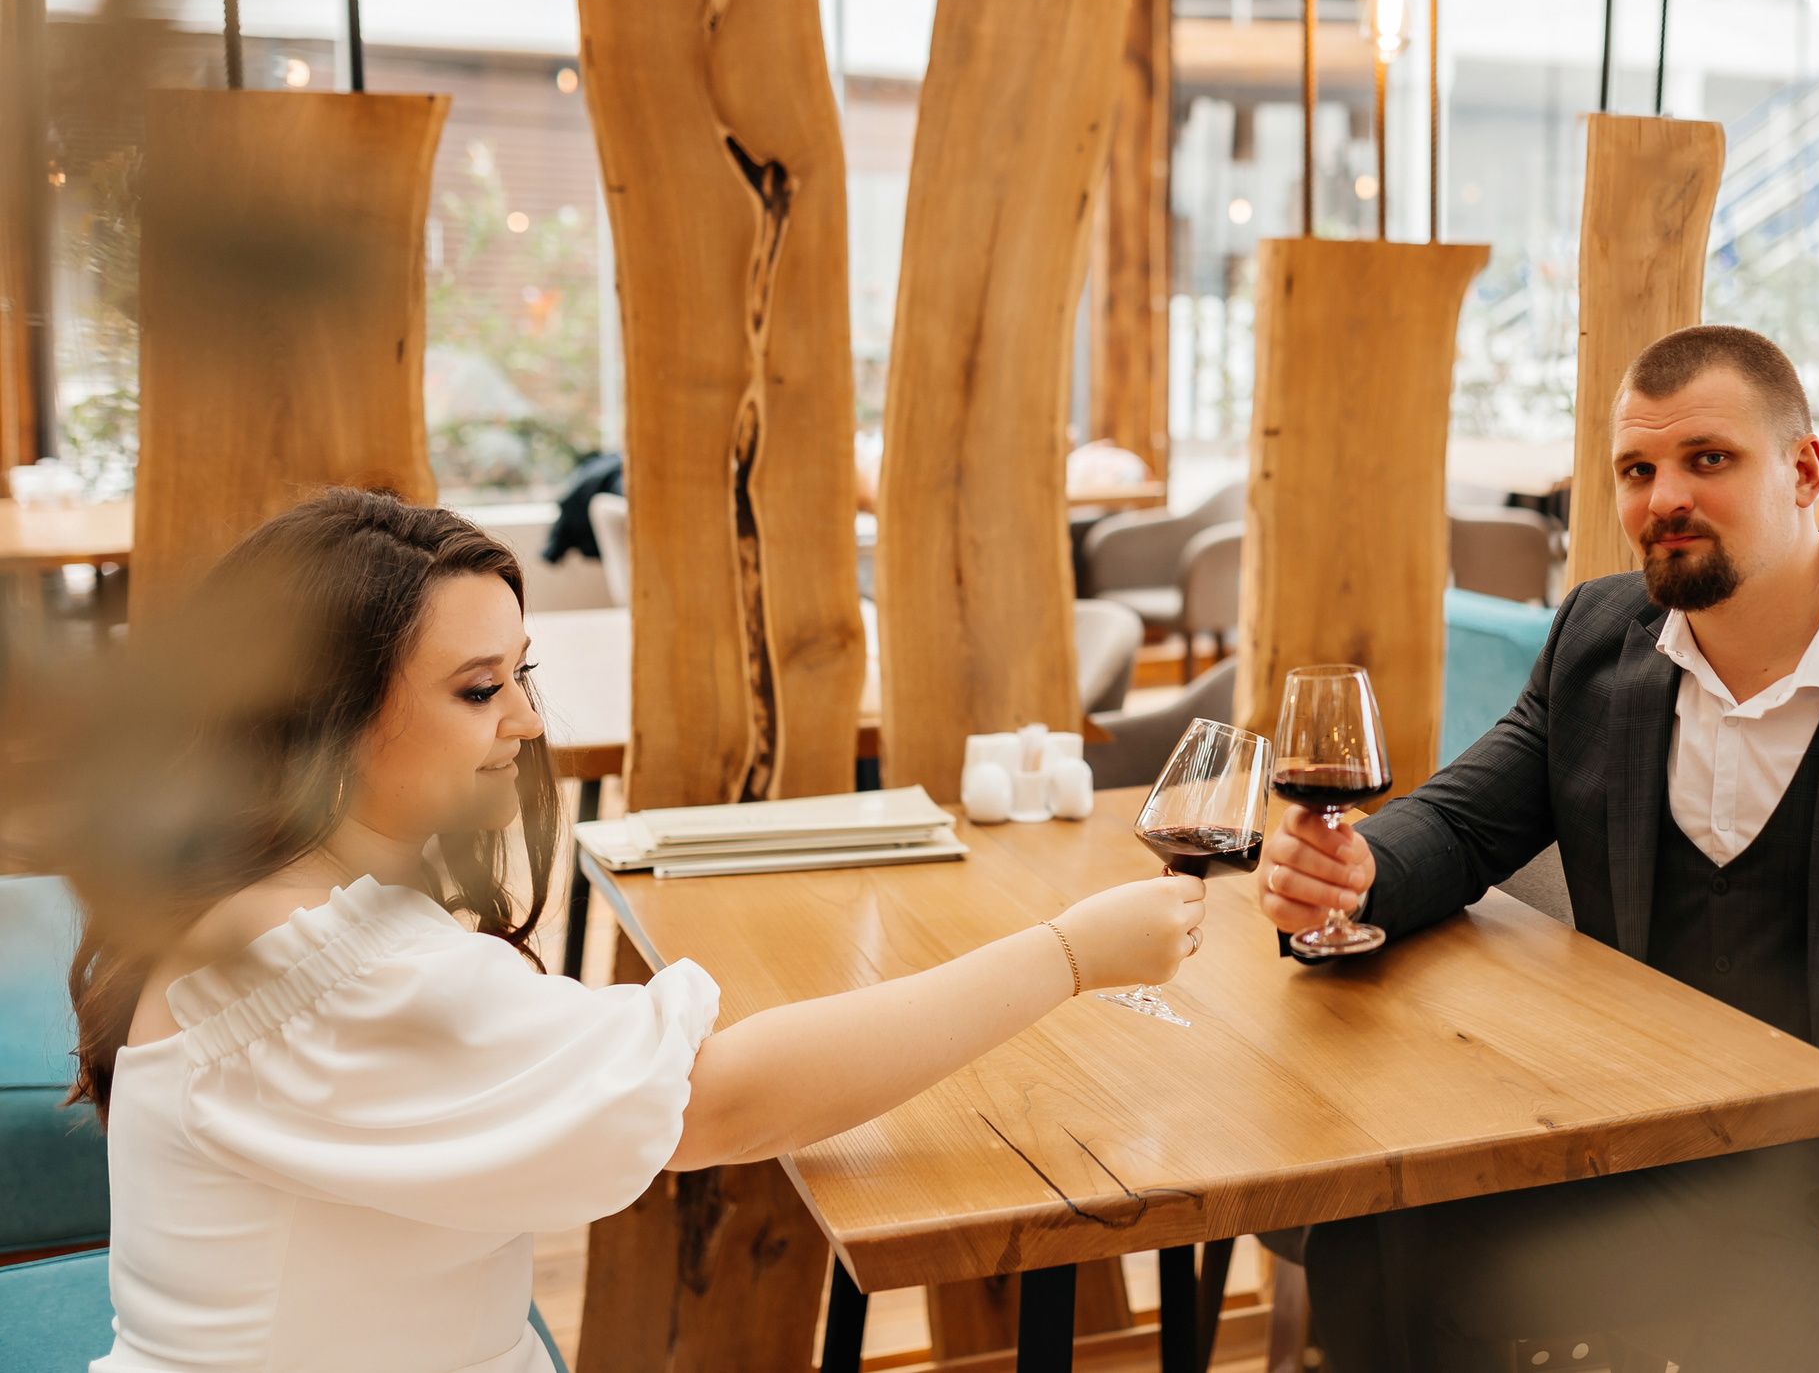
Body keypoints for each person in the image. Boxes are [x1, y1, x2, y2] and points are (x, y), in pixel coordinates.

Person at [58, 490, 1205, 1373]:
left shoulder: (266, 911)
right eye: (474, 689)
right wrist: (1069, 954)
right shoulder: (315, 972)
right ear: (326, 713)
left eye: (522, 674)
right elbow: (721, 1102)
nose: (522, 720)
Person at [1257, 326, 1819, 1373]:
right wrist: (1363, 868)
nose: (1664, 497)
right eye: (1636, 469)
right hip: (1644, 1154)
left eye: (1708, 459)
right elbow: (1469, 821)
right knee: (1371, 1240)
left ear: (1803, 472)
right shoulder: (1596, 636)